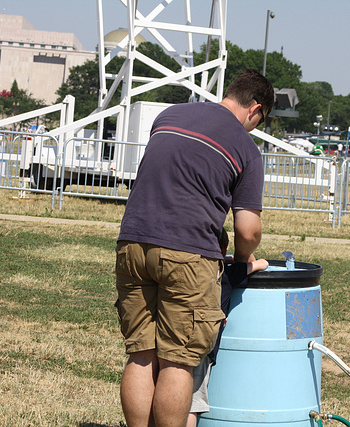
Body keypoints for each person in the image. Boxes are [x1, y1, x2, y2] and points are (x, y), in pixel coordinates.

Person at [114, 69, 274, 427]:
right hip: (188, 255)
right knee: (178, 360)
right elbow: (248, 230)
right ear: (256, 109)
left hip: (132, 242)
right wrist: (245, 259)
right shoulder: (246, 149)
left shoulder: (170, 114)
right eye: (260, 121)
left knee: (140, 353)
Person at [186, 229, 268, 427]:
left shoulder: (189, 270)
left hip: (176, 335)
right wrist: (243, 256)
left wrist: (225, 257)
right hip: (202, 346)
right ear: (222, 249)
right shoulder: (228, 275)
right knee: (191, 403)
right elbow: (259, 263)